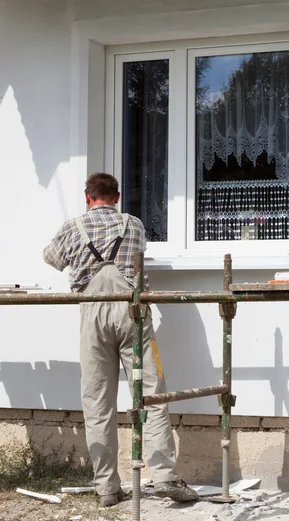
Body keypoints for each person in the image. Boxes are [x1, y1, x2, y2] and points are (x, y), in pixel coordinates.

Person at [43, 173, 198, 507]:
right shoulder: (135, 225)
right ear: (117, 197)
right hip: (133, 314)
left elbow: (50, 258)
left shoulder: (73, 227)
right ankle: (164, 477)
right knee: (151, 394)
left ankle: (106, 490)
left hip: (93, 317)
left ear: (88, 197)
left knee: (97, 402)